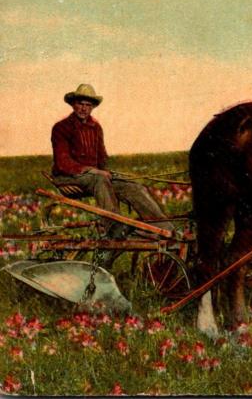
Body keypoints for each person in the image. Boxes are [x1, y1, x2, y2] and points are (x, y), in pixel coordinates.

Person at [51, 84, 174, 266]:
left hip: (94, 177)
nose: (84, 108)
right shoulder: (61, 128)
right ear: (73, 104)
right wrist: (94, 171)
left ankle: (163, 226)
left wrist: (107, 172)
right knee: (100, 179)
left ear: (93, 107)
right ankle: (114, 227)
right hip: (68, 176)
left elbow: (102, 158)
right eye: (80, 103)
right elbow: (63, 162)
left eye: (88, 105)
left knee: (131, 185)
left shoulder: (96, 128)